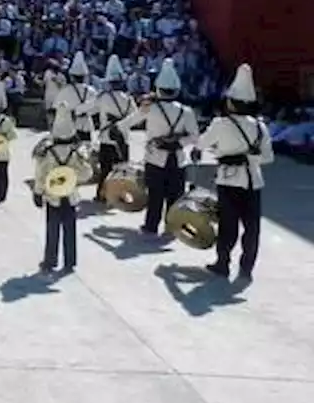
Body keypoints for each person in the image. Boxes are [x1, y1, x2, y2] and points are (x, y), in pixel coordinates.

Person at [201, 63, 272, 281]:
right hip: (254, 182)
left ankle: (223, 263)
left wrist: (231, 155)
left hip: (229, 180)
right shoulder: (261, 127)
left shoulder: (220, 123)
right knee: (252, 228)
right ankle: (247, 268)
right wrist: (248, 157)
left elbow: (203, 143)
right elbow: (268, 157)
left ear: (231, 102)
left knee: (228, 225)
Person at [120, 59, 199, 236]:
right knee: (175, 195)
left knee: (155, 194)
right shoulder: (186, 111)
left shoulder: (150, 108)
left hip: (155, 157)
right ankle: (171, 227)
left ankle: (151, 225)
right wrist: (177, 142)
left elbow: (129, 122)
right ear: (177, 90)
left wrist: (117, 129)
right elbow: (194, 136)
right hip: (178, 158)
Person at [32, 102, 92, 274]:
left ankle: (50, 260)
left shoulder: (47, 151)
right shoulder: (77, 151)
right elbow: (87, 173)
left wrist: (38, 192)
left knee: (52, 228)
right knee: (70, 228)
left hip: (52, 195)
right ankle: (70, 261)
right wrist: (73, 179)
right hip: (71, 194)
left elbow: (40, 174)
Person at [89, 55, 135, 202]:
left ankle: (102, 194)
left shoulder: (103, 97)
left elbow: (91, 110)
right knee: (121, 169)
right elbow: (134, 117)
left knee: (105, 169)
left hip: (107, 138)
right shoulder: (128, 99)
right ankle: (119, 195)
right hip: (123, 138)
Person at [56, 51, 97, 144]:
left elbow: (57, 107)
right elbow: (96, 108)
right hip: (87, 124)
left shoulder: (65, 91)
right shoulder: (91, 91)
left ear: (72, 76)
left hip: (70, 125)